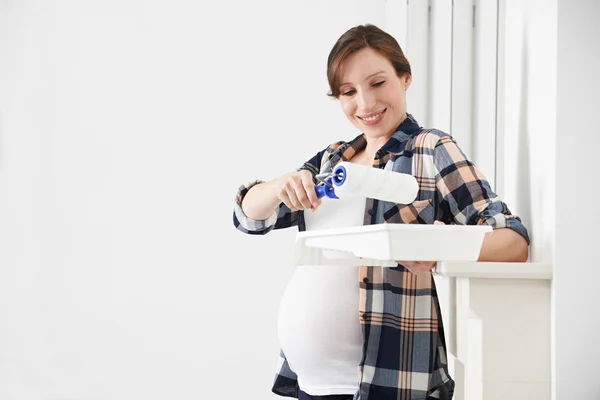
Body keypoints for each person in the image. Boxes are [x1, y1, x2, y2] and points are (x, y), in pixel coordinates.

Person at [232, 24, 529, 400]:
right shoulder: (331, 160)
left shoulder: (430, 149)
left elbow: (513, 241)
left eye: (377, 83)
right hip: (309, 384)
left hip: (386, 383)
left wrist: (438, 249)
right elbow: (250, 218)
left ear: (404, 78)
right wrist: (278, 186)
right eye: (349, 92)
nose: (366, 104)